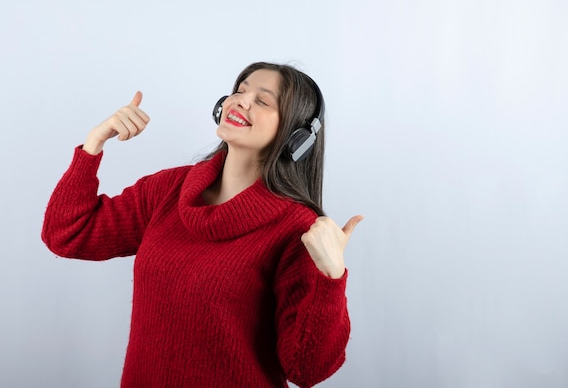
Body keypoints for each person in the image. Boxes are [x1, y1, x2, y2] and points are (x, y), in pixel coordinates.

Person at [41, 62, 363, 388]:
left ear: (298, 137)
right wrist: (94, 144)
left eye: (263, 100)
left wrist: (330, 277)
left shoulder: (299, 231)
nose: (240, 101)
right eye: (239, 90)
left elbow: (307, 370)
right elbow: (68, 234)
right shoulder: (169, 189)